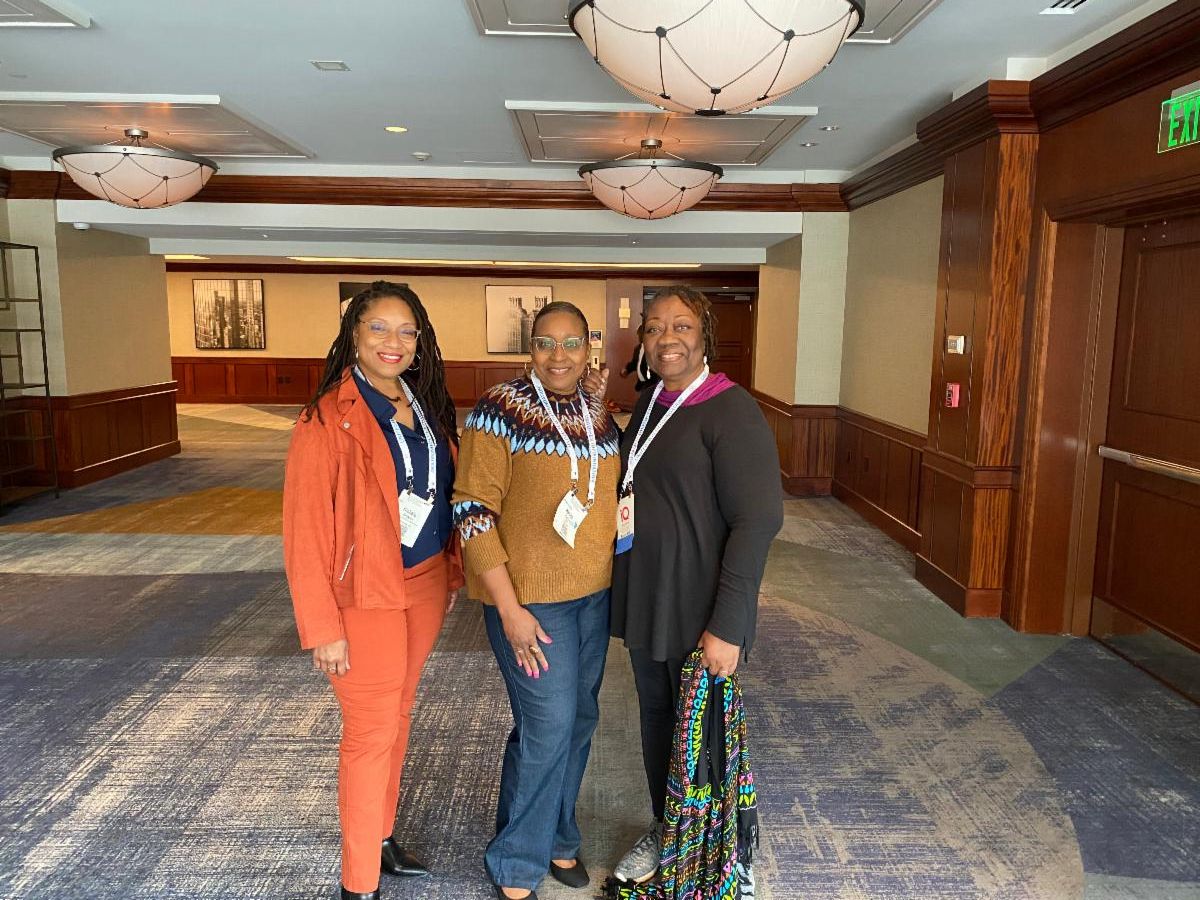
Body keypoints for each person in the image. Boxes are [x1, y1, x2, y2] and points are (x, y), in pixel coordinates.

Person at [282, 281, 463, 900]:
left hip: (425, 583)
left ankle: (380, 835)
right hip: (364, 596)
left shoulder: (423, 403)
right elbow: (304, 531)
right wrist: (322, 627)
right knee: (368, 731)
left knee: (399, 714)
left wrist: (450, 573)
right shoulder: (325, 418)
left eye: (407, 331)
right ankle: (358, 883)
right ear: (354, 336)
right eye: (379, 328)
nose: (394, 342)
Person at [609, 286, 783, 885]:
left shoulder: (731, 410)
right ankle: (667, 828)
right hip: (648, 595)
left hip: (699, 604)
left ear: (705, 335)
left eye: (681, 326)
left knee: (702, 732)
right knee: (658, 717)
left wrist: (729, 625)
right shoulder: (651, 402)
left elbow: (757, 521)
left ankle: (717, 852)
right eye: (655, 327)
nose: (667, 339)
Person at [453, 301, 620, 900]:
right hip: (531, 604)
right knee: (547, 726)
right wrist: (509, 609)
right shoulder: (499, 409)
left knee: (579, 721)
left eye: (571, 343)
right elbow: (471, 511)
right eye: (546, 342)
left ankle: (558, 837)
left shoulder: (597, 410)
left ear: (588, 348)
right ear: (530, 348)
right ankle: (516, 861)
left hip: (593, 598)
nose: (558, 355)